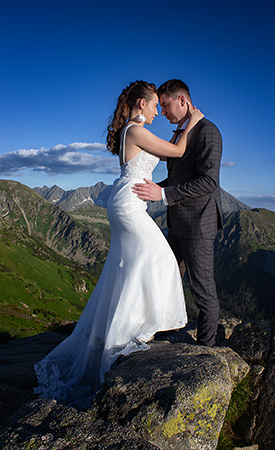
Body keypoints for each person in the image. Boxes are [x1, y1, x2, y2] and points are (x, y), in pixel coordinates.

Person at [33, 80, 203, 409]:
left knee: (134, 264)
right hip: (127, 205)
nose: (157, 110)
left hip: (127, 202)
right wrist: (193, 120)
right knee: (160, 258)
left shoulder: (134, 129)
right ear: (141, 103)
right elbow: (179, 151)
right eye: (154, 104)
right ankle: (127, 338)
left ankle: (129, 330)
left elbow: (161, 151)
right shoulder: (136, 129)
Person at [132, 79, 223, 347]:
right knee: (166, 277)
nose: (163, 112)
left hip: (198, 225)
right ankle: (163, 333)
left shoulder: (208, 131)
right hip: (177, 223)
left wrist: (161, 194)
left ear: (182, 100)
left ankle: (207, 349)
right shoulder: (179, 133)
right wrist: (151, 188)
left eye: (166, 105)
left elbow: (209, 182)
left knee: (202, 289)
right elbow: (177, 177)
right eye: (159, 106)